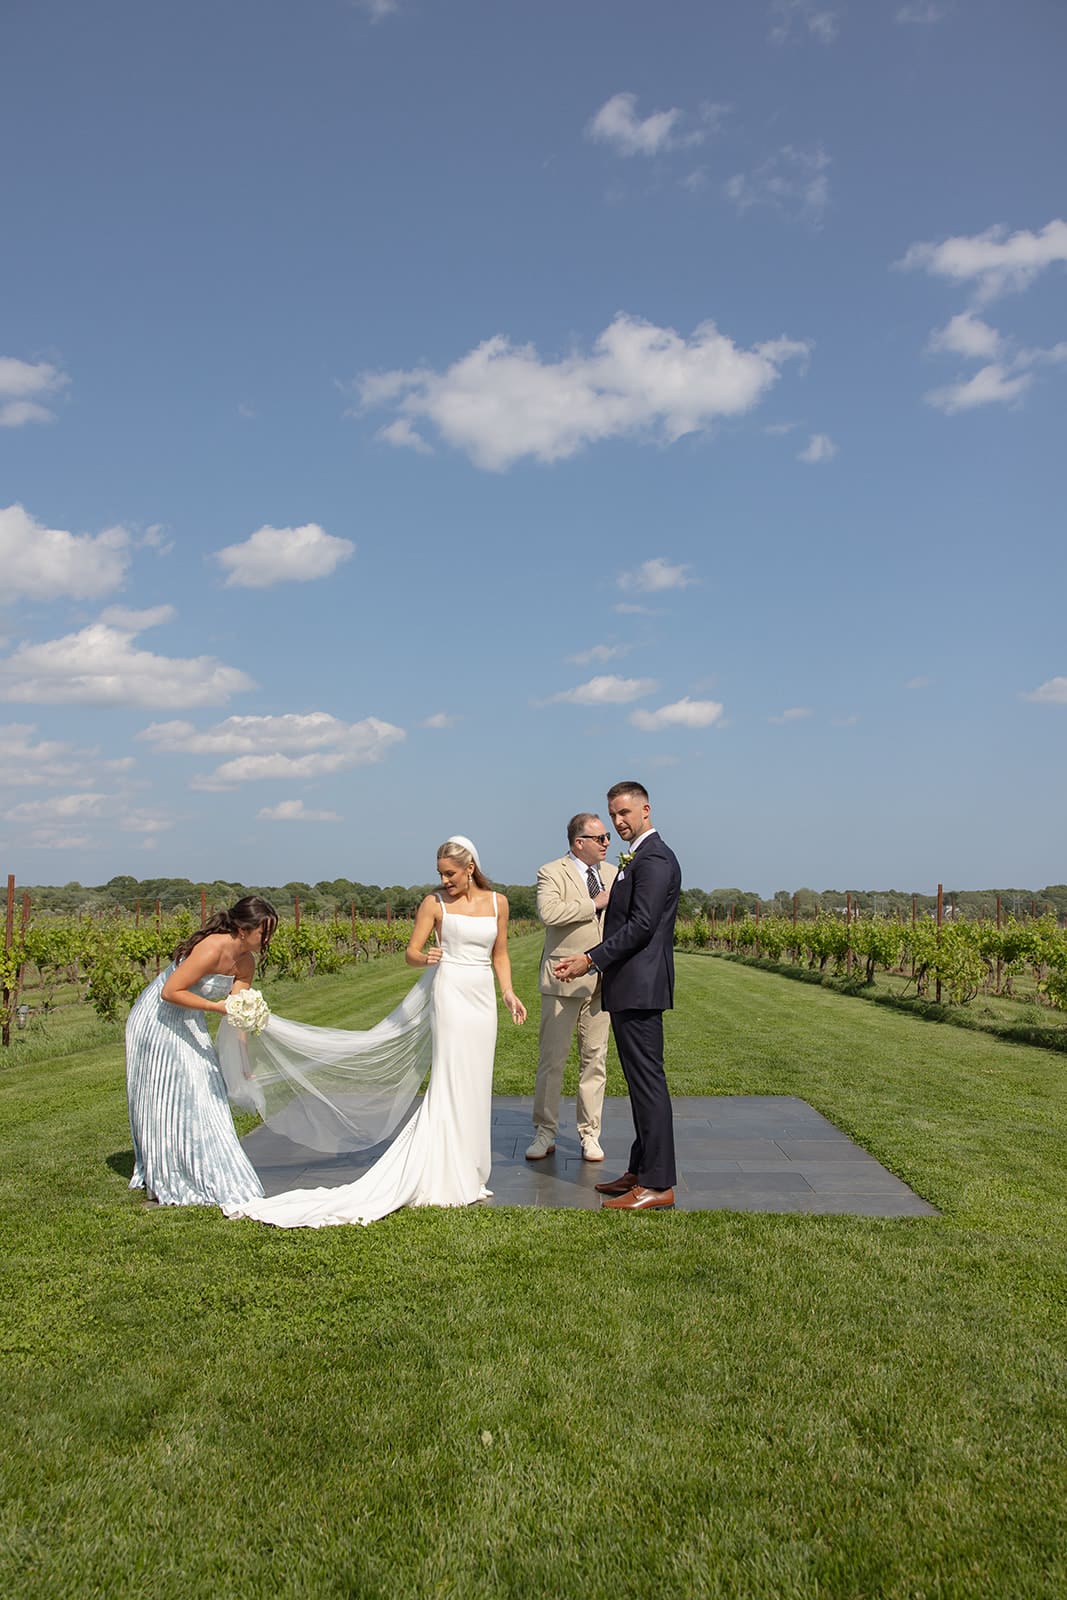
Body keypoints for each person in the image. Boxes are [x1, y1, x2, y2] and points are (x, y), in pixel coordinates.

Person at [224, 838, 526, 1228]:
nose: (444, 880)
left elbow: (499, 953)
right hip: (450, 993)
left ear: (470, 868)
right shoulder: (434, 904)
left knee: (477, 1079)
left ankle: (470, 1167)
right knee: (451, 1078)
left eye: (450, 873)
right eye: (440, 874)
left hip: (482, 996)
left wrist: (508, 991)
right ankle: (445, 1171)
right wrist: (426, 956)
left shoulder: (498, 903)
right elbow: (411, 952)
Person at [554, 782, 680, 1211]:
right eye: (613, 815)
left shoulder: (655, 858)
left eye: (625, 813)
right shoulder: (637, 858)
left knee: (648, 1085)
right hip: (629, 985)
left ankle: (658, 1184)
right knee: (639, 1084)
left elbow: (642, 926)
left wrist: (589, 959)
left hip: (641, 988)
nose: (618, 822)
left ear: (646, 809)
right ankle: (640, 1170)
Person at [125, 896, 278, 1207]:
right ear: (242, 929)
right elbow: (170, 992)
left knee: (207, 1086)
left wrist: (243, 1060)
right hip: (156, 1019)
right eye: (263, 932)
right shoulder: (211, 947)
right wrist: (214, 1007)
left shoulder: (246, 962)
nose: (267, 939)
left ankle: (205, 1163)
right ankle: (167, 1169)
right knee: (168, 1091)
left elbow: (237, 1013)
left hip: (189, 1016)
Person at [526, 813, 617, 1163]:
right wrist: (595, 903)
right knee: (553, 1061)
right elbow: (549, 913)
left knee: (595, 1060)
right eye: (600, 837)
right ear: (579, 842)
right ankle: (545, 1132)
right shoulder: (551, 872)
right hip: (562, 978)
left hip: (603, 981)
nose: (607, 842)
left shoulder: (614, 874)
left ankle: (589, 1134)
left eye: (607, 837)